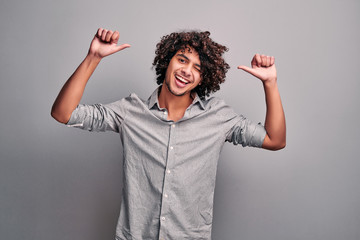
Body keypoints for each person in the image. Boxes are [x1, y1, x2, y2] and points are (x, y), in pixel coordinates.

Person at [51, 28, 286, 240]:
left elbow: (275, 140)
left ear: (204, 78)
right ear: (167, 61)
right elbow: (63, 114)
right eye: (182, 60)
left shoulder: (217, 117)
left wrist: (271, 83)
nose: (187, 71)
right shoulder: (130, 112)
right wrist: (93, 58)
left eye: (198, 68)